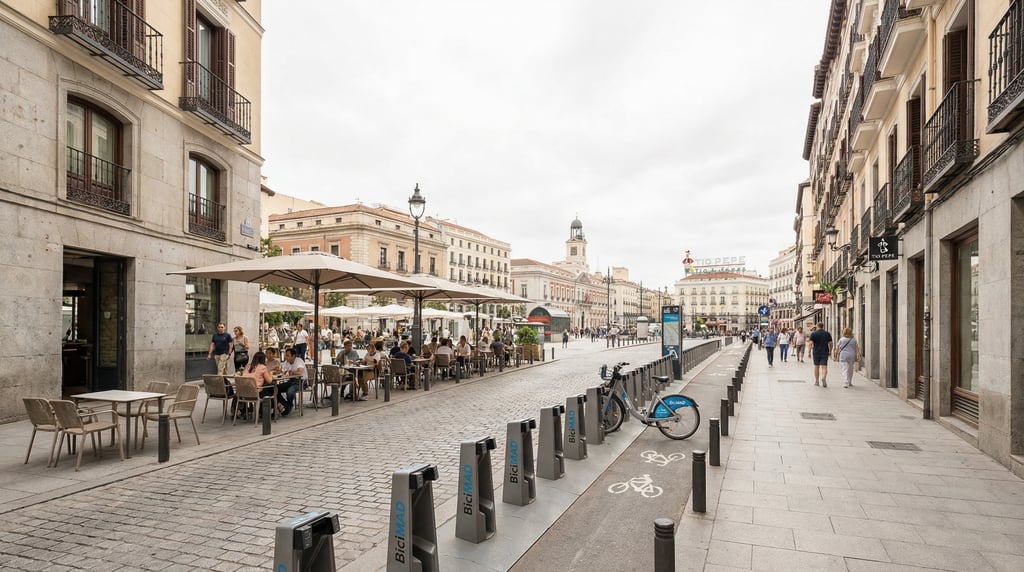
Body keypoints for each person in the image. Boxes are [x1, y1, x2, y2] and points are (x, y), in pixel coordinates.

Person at [279, 348, 307, 416]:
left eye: (287, 355)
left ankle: (288, 405)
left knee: (290, 391)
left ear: (293, 356)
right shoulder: (287, 362)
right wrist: (279, 371)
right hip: (291, 381)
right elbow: (282, 370)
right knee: (276, 388)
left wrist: (292, 373)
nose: (286, 357)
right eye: (285, 355)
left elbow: (300, 372)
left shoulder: (299, 361)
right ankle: (286, 405)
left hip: (301, 382)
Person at [808, 322, 834, 387]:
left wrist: (809, 352)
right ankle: (823, 377)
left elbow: (810, 343)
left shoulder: (813, 334)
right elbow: (831, 343)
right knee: (824, 366)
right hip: (825, 351)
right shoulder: (827, 334)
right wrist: (830, 351)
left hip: (816, 352)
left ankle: (817, 381)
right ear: (823, 326)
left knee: (816, 366)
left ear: (817, 326)